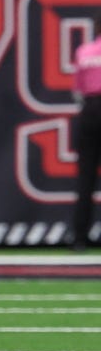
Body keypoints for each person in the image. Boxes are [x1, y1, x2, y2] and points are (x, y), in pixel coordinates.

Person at [71, 13, 101, 251]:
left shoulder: (84, 51)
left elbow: (78, 91)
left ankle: (80, 237)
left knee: (86, 178)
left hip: (89, 112)